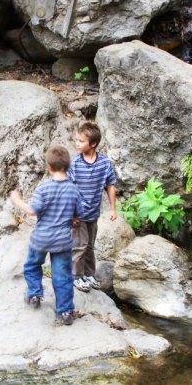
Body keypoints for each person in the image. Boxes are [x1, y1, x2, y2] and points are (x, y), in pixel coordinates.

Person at [10, 145, 86, 326]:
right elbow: (79, 214)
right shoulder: (74, 190)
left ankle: (34, 295)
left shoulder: (43, 187)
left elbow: (31, 211)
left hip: (41, 239)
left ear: (49, 168)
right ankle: (65, 311)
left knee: (32, 265)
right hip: (62, 241)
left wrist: (17, 199)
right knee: (63, 276)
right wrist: (73, 220)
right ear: (68, 167)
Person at [68, 121, 117, 293]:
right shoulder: (74, 164)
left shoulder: (104, 164)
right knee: (79, 245)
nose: (77, 143)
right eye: (76, 140)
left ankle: (89, 274)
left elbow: (110, 185)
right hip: (78, 215)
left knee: (89, 245)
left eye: (81, 141)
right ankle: (76, 276)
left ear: (93, 144)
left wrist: (112, 209)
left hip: (93, 214)